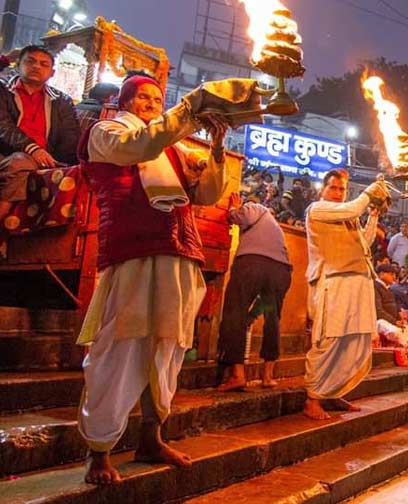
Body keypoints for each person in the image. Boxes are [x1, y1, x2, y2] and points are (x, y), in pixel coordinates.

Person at [75, 73, 241, 484]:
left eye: (157, 98)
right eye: (143, 96)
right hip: (133, 252)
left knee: (168, 349)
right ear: (126, 100)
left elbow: (205, 195)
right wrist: (189, 111)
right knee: (119, 347)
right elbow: (139, 146)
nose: (151, 102)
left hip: (180, 253)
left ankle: (152, 437)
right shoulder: (107, 131)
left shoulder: (173, 148)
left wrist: (217, 148)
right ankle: (100, 451)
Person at [303, 169, 390, 420]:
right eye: (333, 188)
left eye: (342, 189)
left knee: (353, 341)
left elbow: (365, 241)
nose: (338, 193)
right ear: (323, 189)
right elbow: (352, 208)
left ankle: (333, 390)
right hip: (334, 283)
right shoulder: (317, 209)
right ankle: (312, 399)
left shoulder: (347, 215)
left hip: (357, 283)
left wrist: (374, 214)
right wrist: (369, 194)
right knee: (329, 340)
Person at [217, 200, 293, 392]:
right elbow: (264, 304)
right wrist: (252, 316)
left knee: (235, 312)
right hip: (281, 269)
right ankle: (267, 376)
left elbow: (244, 216)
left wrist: (233, 209)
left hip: (252, 263)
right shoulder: (276, 228)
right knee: (273, 317)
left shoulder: (257, 207)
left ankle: (238, 375)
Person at [0, 45, 80, 225]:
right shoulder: (4, 91)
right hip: (7, 154)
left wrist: (65, 165)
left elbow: (70, 137)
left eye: (44, 64)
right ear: (17, 64)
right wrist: (32, 149)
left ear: (52, 73)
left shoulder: (61, 100)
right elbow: (3, 126)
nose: (36, 66)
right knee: (20, 162)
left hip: (43, 160)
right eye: (30, 61)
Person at [374, 263, 408, 347]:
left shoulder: (388, 289)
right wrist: (394, 322)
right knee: (394, 331)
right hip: (379, 321)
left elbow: (393, 306)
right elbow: (378, 311)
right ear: (381, 274)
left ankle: (401, 340)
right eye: (391, 274)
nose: (394, 277)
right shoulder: (375, 286)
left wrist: (399, 314)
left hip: (392, 321)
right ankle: (404, 343)